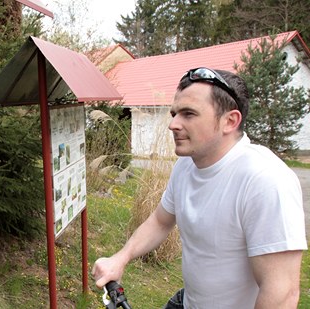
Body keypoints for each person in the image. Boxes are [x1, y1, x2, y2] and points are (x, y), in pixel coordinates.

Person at [92, 67, 307, 308]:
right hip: (188, 302)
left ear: (230, 121)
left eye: (188, 114)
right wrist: (120, 258)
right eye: (174, 113)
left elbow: (282, 293)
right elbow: (160, 221)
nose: (173, 124)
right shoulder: (186, 165)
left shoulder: (265, 180)